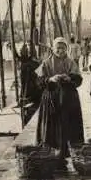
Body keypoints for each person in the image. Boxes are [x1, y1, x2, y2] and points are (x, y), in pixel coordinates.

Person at [35, 37, 84, 170]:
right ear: (53, 49)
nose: (60, 50)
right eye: (58, 48)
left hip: (68, 99)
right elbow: (39, 82)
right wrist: (50, 79)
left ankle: (65, 153)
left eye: (62, 48)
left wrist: (69, 78)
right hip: (51, 99)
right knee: (52, 126)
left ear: (66, 49)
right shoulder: (46, 63)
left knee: (67, 126)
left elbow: (79, 79)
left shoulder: (71, 62)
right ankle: (50, 154)